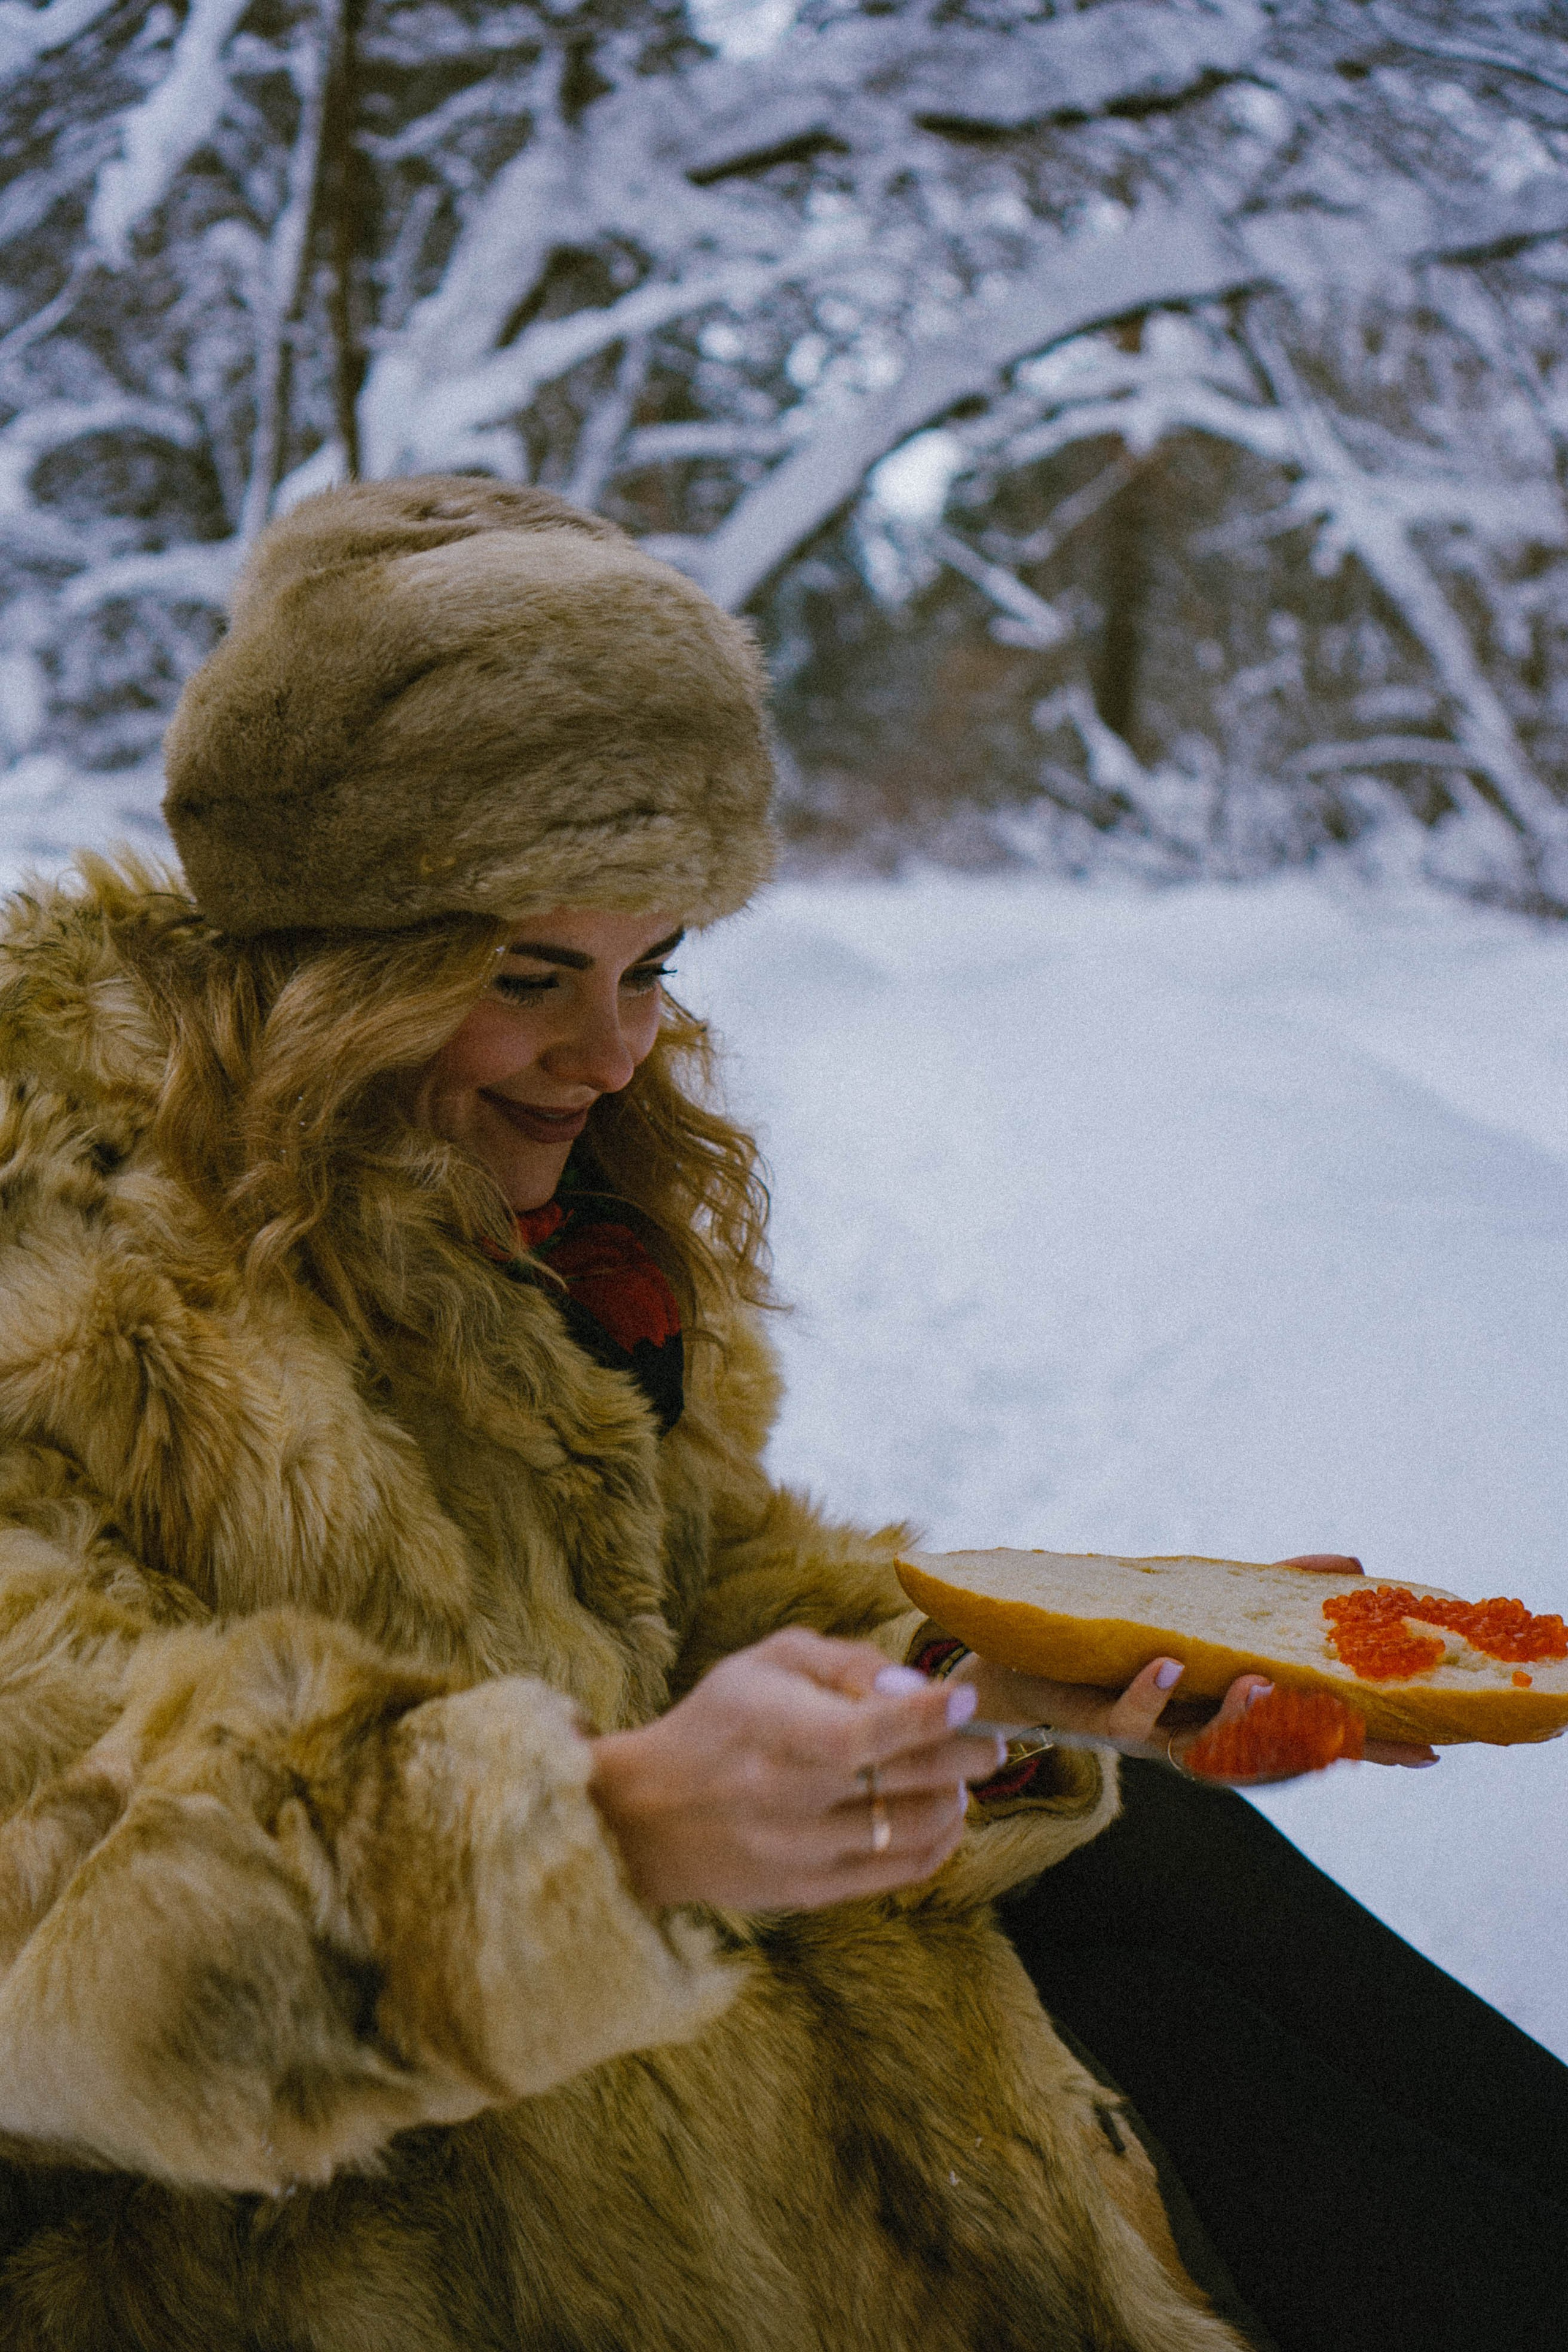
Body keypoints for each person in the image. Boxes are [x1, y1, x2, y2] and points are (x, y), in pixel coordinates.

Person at [0, 477, 1545, 2352]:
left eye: (652, 963)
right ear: (326, 962)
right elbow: (53, 1920)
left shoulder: (545, 1214)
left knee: (1176, 1878)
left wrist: (994, 1678)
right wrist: (612, 1839)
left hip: (647, 2018)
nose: (617, 1048)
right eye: (528, 978)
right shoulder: (63, 1268)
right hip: (321, 2197)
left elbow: (686, 1589)